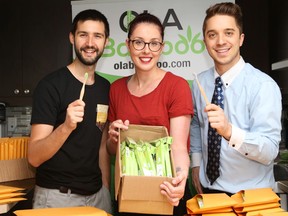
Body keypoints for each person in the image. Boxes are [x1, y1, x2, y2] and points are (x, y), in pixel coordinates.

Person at [190, 2, 282, 196]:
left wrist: (229, 131)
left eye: (229, 33)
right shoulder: (200, 83)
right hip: (210, 190)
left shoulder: (263, 86)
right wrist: (196, 165)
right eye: (212, 34)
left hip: (253, 195)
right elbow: (197, 125)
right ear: (205, 42)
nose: (220, 41)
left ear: (241, 39)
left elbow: (270, 151)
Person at [107, 12, 193, 216]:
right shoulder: (116, 89)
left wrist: (180, 181)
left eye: (154, 43)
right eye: (139, 42)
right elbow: (112, 150)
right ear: (128, 45)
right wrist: (112, 138)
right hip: (128, 196)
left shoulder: (177, 86)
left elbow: (179, 146)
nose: (146, 50)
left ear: (162, 47)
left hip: (167, 193)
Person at [28, 9, 112, 213]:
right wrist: (66, 127)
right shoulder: (50, 86)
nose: (90, 43)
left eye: (97, 36)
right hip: (56, 198)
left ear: (106, 42)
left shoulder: (105, 87)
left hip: (97, 198)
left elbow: (101, 146)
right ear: (72, 38)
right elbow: (34, 157)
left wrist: (106, 192)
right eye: (83, 34)